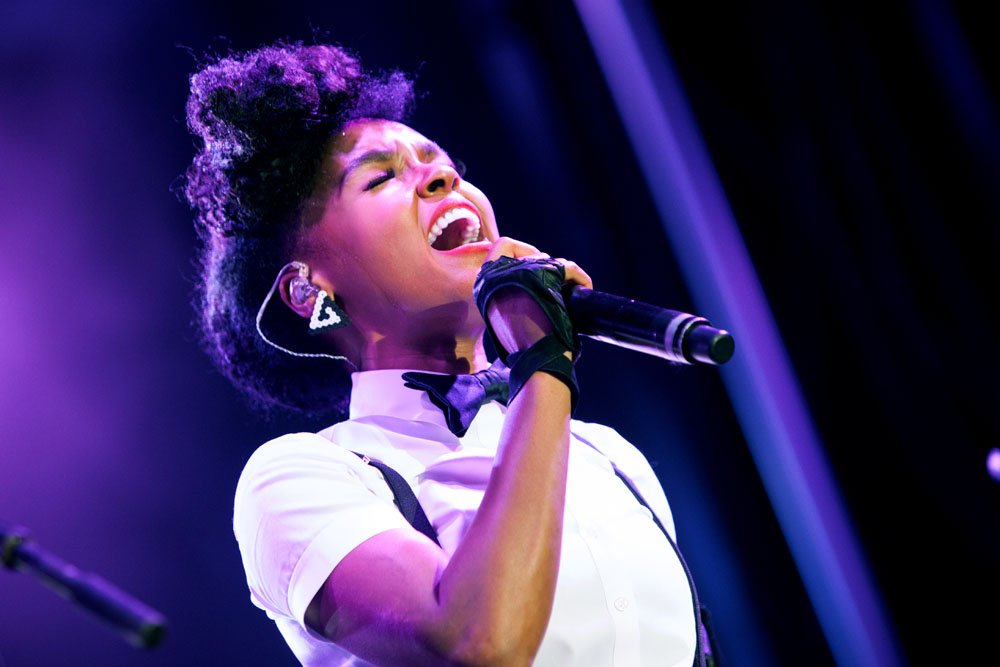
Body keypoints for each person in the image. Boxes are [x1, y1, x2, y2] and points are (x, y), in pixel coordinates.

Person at [185, 41, 702, 666]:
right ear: (308, 290)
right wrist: (543, 364)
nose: (442, 177)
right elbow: (477, 644)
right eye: (380, 177)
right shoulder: (304, 476)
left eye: (443, 164)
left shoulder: (609, 458)